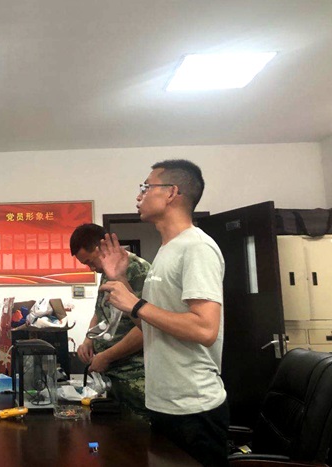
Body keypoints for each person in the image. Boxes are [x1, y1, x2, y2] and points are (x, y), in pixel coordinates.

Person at [100, 159, 228, 466]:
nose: (138, 196)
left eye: (146, 187)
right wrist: (121, 282)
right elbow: (148, 324)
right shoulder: (166, 250)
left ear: (171, 192)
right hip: (163, 403)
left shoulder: (197, 247)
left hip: (194, 408)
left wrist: (136, 304)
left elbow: (205, 329)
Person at [70, 223, 150, 417]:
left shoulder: (137, 269)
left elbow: (147, 328)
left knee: (138, 431)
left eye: (90, 262)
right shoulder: (107, 273)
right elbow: (100, 312)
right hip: (113, 375)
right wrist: (88, 340)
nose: (91, 268)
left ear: (101, 247)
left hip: (135, 375)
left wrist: (106, 356)